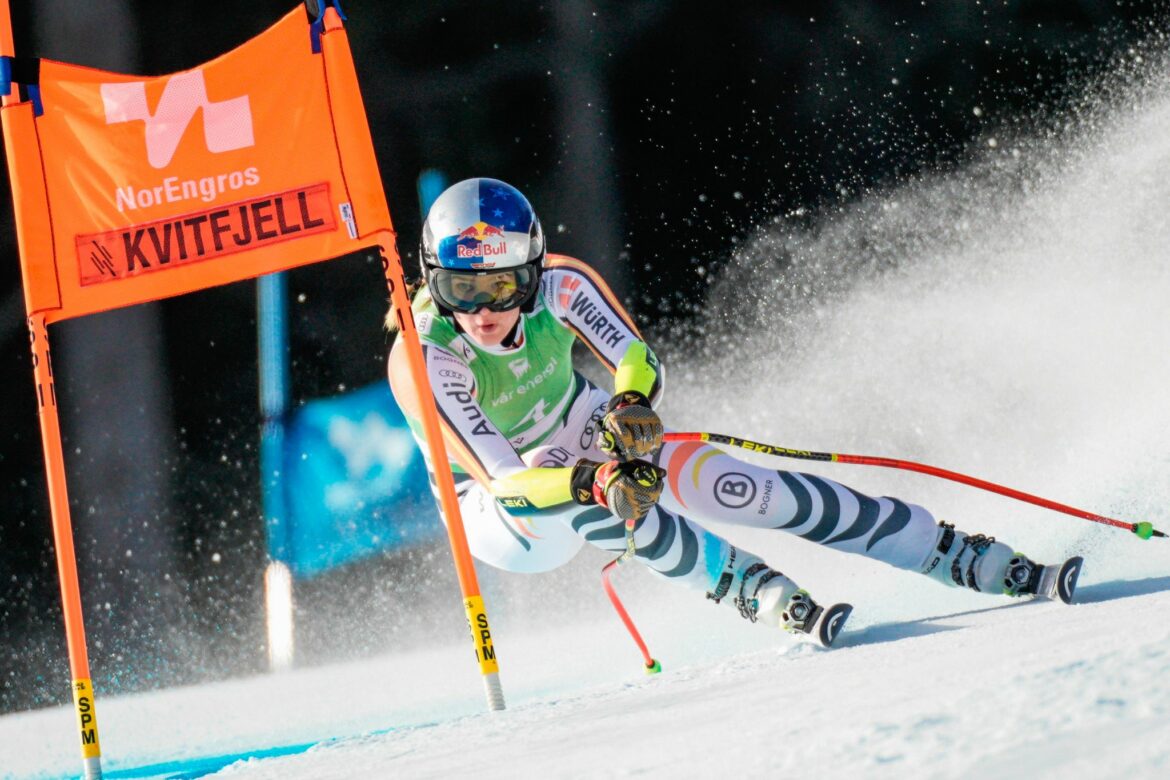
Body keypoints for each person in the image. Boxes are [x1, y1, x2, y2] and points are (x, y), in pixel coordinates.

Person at [387, 177, 1069, 646]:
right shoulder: (425, 358)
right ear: (432, 279)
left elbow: (637, 358)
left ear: (530, 272)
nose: (484, 309)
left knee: (726, 482)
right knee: (610, 503)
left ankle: (949, 551)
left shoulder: (560, 285)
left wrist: (629, 404)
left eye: (502, 285)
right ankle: (750, 587)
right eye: (460, 288)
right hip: (497, 505)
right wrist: (594, 477)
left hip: (577, 422)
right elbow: (509, 481)